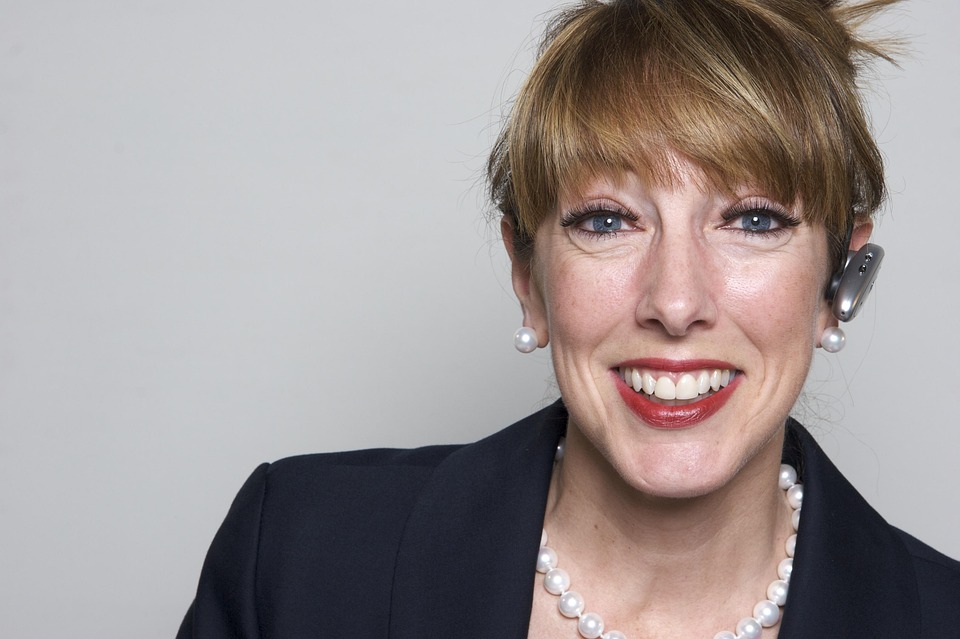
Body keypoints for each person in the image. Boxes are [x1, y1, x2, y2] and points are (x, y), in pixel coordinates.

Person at [177, 0, 960, 637]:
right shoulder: (297, 559)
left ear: (838, 281)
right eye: (607, 221)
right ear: (528, 276)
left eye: (754, 220)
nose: (675, 303)